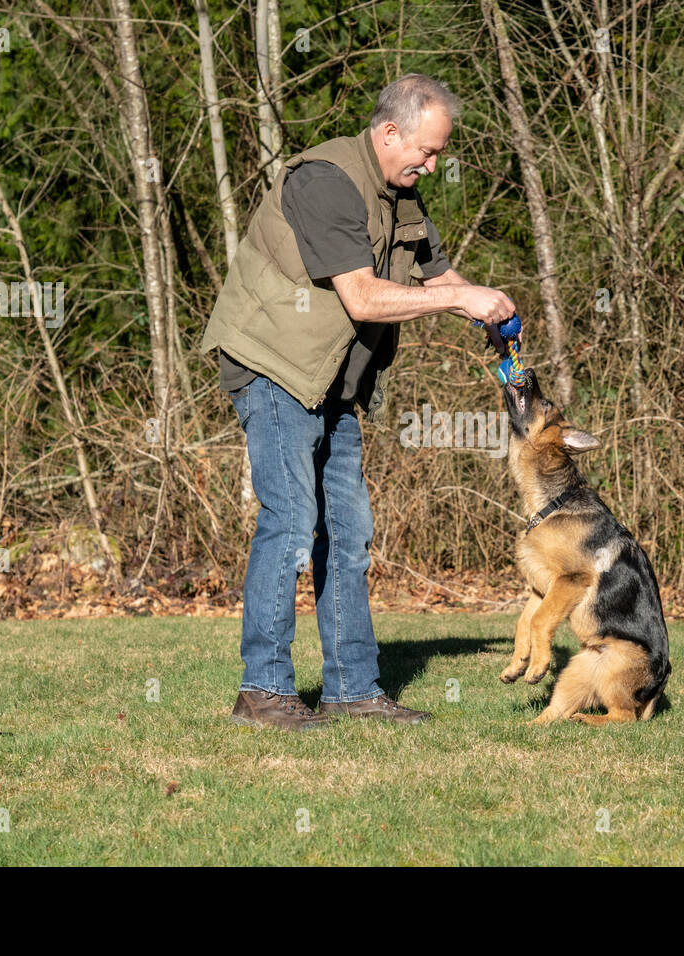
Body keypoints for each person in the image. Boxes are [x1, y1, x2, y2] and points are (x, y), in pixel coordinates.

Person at [198, 73, 518, 731]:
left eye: (438, 156)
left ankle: (353, 690)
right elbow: (364, 298)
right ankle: (262, 691)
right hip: (275, 364)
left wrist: (482, 303)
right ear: (388, 130)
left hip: (337, 382)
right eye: (426, 152)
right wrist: (459, 299)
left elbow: (437, 275)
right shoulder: (324, 182)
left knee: (348, 533)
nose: (432, 166)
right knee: (290, 520)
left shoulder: (402, 196)